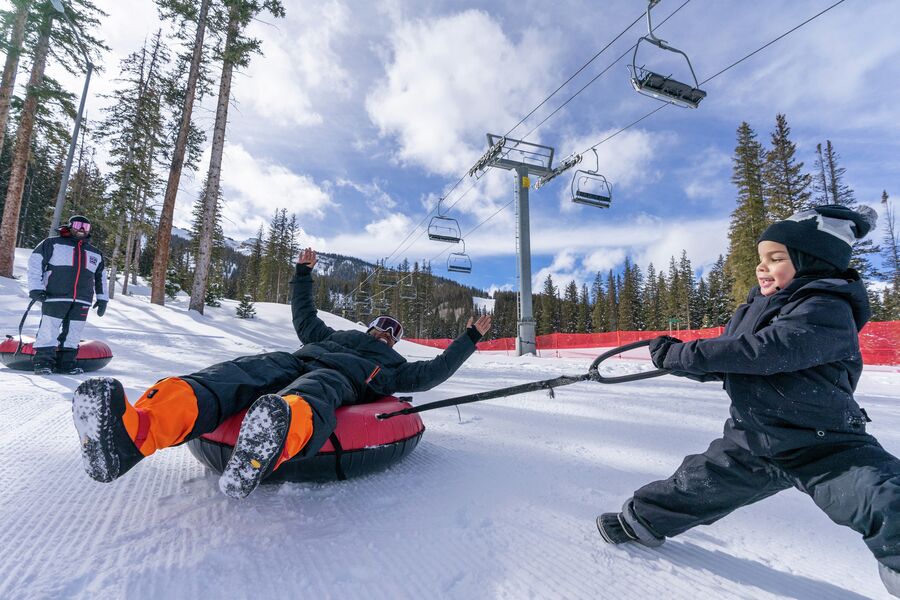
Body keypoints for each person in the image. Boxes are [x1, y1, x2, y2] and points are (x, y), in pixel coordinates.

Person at [595, 205, 900, 597]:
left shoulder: (827, 306)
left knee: (886, 497)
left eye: (776, 259)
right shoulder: (756, 307)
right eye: (760, 259)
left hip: (824, 443)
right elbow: (731, 356)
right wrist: (680, 358)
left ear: (812, 262)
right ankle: (642, 521)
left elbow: (766, 351)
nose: (762, 268)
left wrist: (689, 355)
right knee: (695, 484)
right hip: (753, 438)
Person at [72, 247, 492, 500]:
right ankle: (136, 432)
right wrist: (303, 276)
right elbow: (306, 318)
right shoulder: (337, 334)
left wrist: (469, 338)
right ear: (370, 327)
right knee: (236, 373)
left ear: (395, 342)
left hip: (337, 380)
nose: (385, 331)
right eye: (382, 324)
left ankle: (269, 438)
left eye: (392, 330)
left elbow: (434, 372)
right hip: (294, 359)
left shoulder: (395, 368)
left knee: (314, 389)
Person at [27, 215, 108, 375]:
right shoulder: (52, 243)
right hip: (55, 295)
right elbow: (35, 263)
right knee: (49, 329)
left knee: (74, 332)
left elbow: (101, 277)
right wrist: (35, 288)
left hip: (82, 299)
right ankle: (43, 363)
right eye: (78, 225)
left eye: (86, 227)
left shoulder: (95, 253)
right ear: (70, 226)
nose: (82, 229)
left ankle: (66, 364)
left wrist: (102, 298)